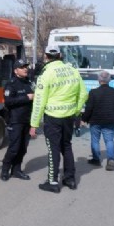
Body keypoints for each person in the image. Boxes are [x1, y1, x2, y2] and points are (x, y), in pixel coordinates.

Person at [30, 45, 87, 193]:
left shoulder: (46, 74)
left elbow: (39, 101)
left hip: (53, 117)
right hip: (68, 116)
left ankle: (53, 181)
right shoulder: (72, 70)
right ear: (60, 55)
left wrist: (34, 124)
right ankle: (70, 179)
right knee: (66, 146)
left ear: (46, 56)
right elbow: (83, 94)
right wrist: (75, 110)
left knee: (53, 149)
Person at [81, 71, 114, 171]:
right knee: (109, 139)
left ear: (99, 80)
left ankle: (96, 159)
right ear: (109, 80)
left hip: (95, 120)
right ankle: (111, 160)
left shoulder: (93, 92)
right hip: (110, 119)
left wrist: (84, 119)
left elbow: (89, 108)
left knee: (95, 140)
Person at [0, 59, 34, 181]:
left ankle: (16, 170)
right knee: (14, 148)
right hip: (15, 120)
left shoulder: (29, 83)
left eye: (26, 67)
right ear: (15, 70)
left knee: (23, 148)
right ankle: (5, 169)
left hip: (27, 120)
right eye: (22, 67)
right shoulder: (11, 84)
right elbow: (8, 102)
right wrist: (26, 98)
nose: (25, 69)